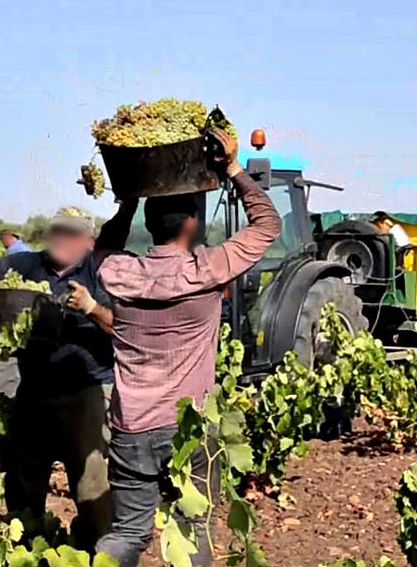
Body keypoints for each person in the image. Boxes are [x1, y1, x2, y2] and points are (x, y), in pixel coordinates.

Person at [94, 129, 281, 567]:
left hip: (131, 426)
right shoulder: (207, 270)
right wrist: (233, 167)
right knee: (193, 528)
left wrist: (129, 200)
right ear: (192, 224)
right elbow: (268, 226)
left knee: (126, 533)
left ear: (149, 226)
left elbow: (104, 247)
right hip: (189, 427)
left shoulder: (120, 273)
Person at [0, 202, 138, 551]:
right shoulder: (26, 264)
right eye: (56, 230)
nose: (61, 238)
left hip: (86, 394)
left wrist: (92, 308)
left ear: (88, 240)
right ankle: (28, 550)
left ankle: (95, 554)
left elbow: (126, 330)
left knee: (93, 490)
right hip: (32, 392)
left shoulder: (102, 271)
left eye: (70, 232)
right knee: (24, 485)